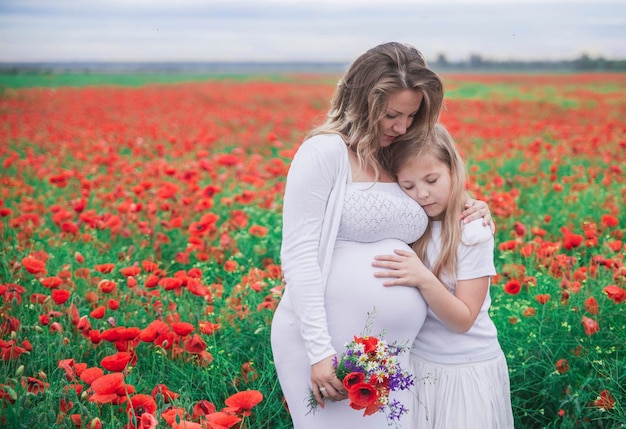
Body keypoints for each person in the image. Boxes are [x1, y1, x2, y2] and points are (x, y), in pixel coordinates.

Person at [270, 42, 492, 428]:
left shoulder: (392, 153)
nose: (402, 126)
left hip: (396, 351)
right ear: (361, 103)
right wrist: (319, 352)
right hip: (327, 345)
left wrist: (469, 203)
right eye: (391, 114)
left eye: (411, 115)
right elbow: (299, 255)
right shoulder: (325, 152)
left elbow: (429, 191)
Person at [372, 124, 514, 428]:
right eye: (407, 186)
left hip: (465, 368)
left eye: (432, 180)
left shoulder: (471, 231)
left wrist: (423, 278)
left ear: (453, 169)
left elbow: (463, 320)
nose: (421, 193)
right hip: (419, 365)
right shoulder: (409, 223)